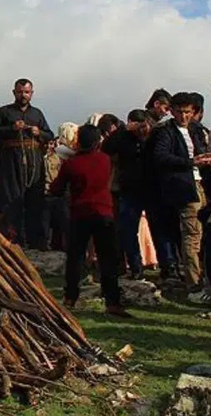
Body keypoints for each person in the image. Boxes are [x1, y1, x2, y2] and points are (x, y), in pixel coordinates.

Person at [50, 125, 130, 317]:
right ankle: (112, 302)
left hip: (80, 214)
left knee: (75, 258)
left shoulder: (71, 164)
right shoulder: (105, 160)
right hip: (104, 213)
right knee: (107, 258)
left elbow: (56, 188)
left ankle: (70, 297)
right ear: (98, 141)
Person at [151, 92, 211, 292]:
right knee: (192, 235)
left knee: (201, 234)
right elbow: (160, 157)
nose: (183, 116)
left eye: (187, 112)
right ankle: (193, 284)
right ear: (172, 111)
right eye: (179, 112)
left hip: (200, 184)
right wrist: (190, 162)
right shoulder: (165, 131)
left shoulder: (195, 130)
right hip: (184, 188)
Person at [0, 79, 54, 249]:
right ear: (14, 92)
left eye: (27, 92)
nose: (23, 95)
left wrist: (38, 132)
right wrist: (12, 128)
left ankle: (35, 241)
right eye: (20, 92)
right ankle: (13, 241)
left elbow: (49, 134)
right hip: (11, 163)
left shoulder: (37, 114)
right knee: (12, 202)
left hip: (34, 163)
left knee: (34, 202)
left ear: (31, 93)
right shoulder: (4, 112)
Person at [102, 110, 156, 280]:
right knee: (127, 230)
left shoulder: (153, 137)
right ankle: (135, 267)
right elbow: (106, 148)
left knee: (158, 229)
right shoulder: (123, 138)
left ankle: (168, 267)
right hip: (129, 189)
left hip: (151, 188)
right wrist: (123, 130)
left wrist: (147, 132)